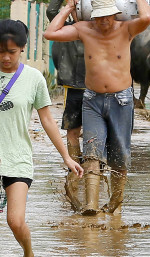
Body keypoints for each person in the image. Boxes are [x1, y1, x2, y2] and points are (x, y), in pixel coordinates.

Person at [0, 19, 84, 257]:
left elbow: (47, 120)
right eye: (0, 50)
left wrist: (67, 157)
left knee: (14, 219)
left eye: (12, 51)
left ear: (22, 48)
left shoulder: (33, 78)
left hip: (18, 158)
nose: (6, 57)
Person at [43, 0, 150, 215]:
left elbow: (147, 18)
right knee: (92, 152)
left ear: (116, 14)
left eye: (108, 16)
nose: (103, 20)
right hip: (92, 99)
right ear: (92, 16)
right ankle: (91, 206)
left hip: (121, 100)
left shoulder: (126, 29)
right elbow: (50, 33)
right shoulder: (85, 30)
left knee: (120, 154)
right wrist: (68, 8)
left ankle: (115, 203)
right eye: (99, 16)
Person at [46, 0, 87, 211]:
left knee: (94, 133)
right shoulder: (66, 27)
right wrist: (68, 5)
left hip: (98, 87)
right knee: (72, 132)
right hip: (74, 87)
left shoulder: (98, 27)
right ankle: (75, 169)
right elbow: (52, 11)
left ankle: (91, 170)